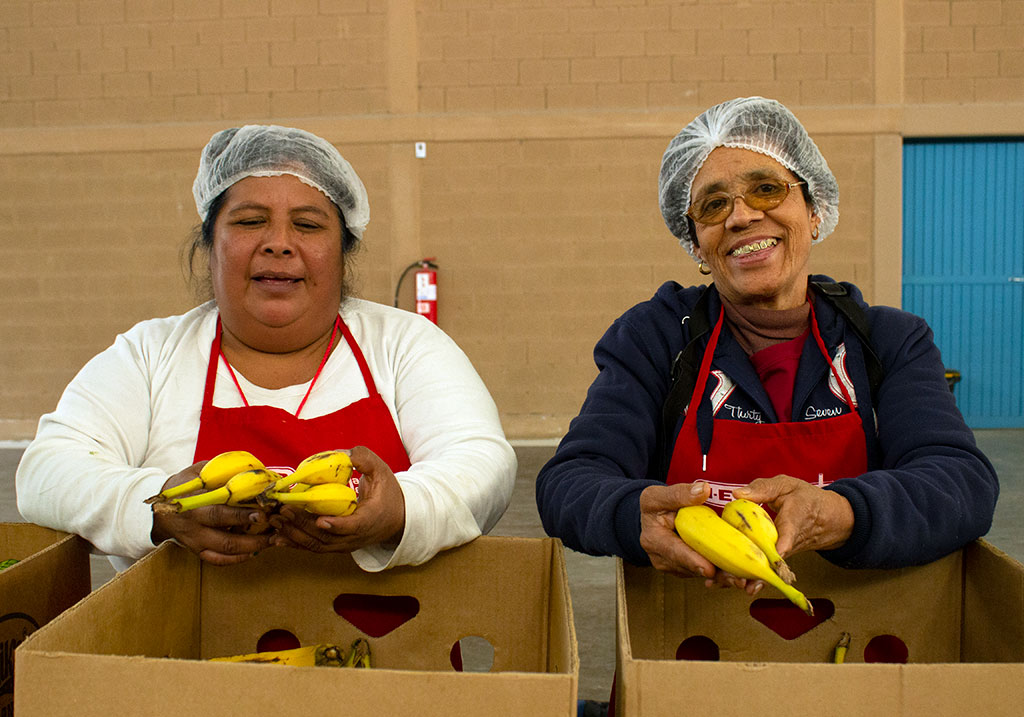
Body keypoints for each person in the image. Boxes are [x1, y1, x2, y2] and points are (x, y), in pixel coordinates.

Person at [536, 96, 998, 590]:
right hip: (681, 647)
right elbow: (569, 483)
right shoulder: (657, 337)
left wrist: (840, 512)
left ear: (814, 210)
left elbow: (961, 483)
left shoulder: (887, 342)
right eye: (714, 204)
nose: (741, 217)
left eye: (765, 189)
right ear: (695, 242)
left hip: (861, 643)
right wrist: (630, 514)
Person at [17, 124, 517, 573]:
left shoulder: (405, 345)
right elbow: (46, 473)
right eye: (251, 221)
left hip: (390, 654)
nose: (279, 243)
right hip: (181, 669)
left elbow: (483, 464)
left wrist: (404, 508)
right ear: (210, 245)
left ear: (343, 254)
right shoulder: (149, 355)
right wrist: (157, 510)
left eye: (308, 224)